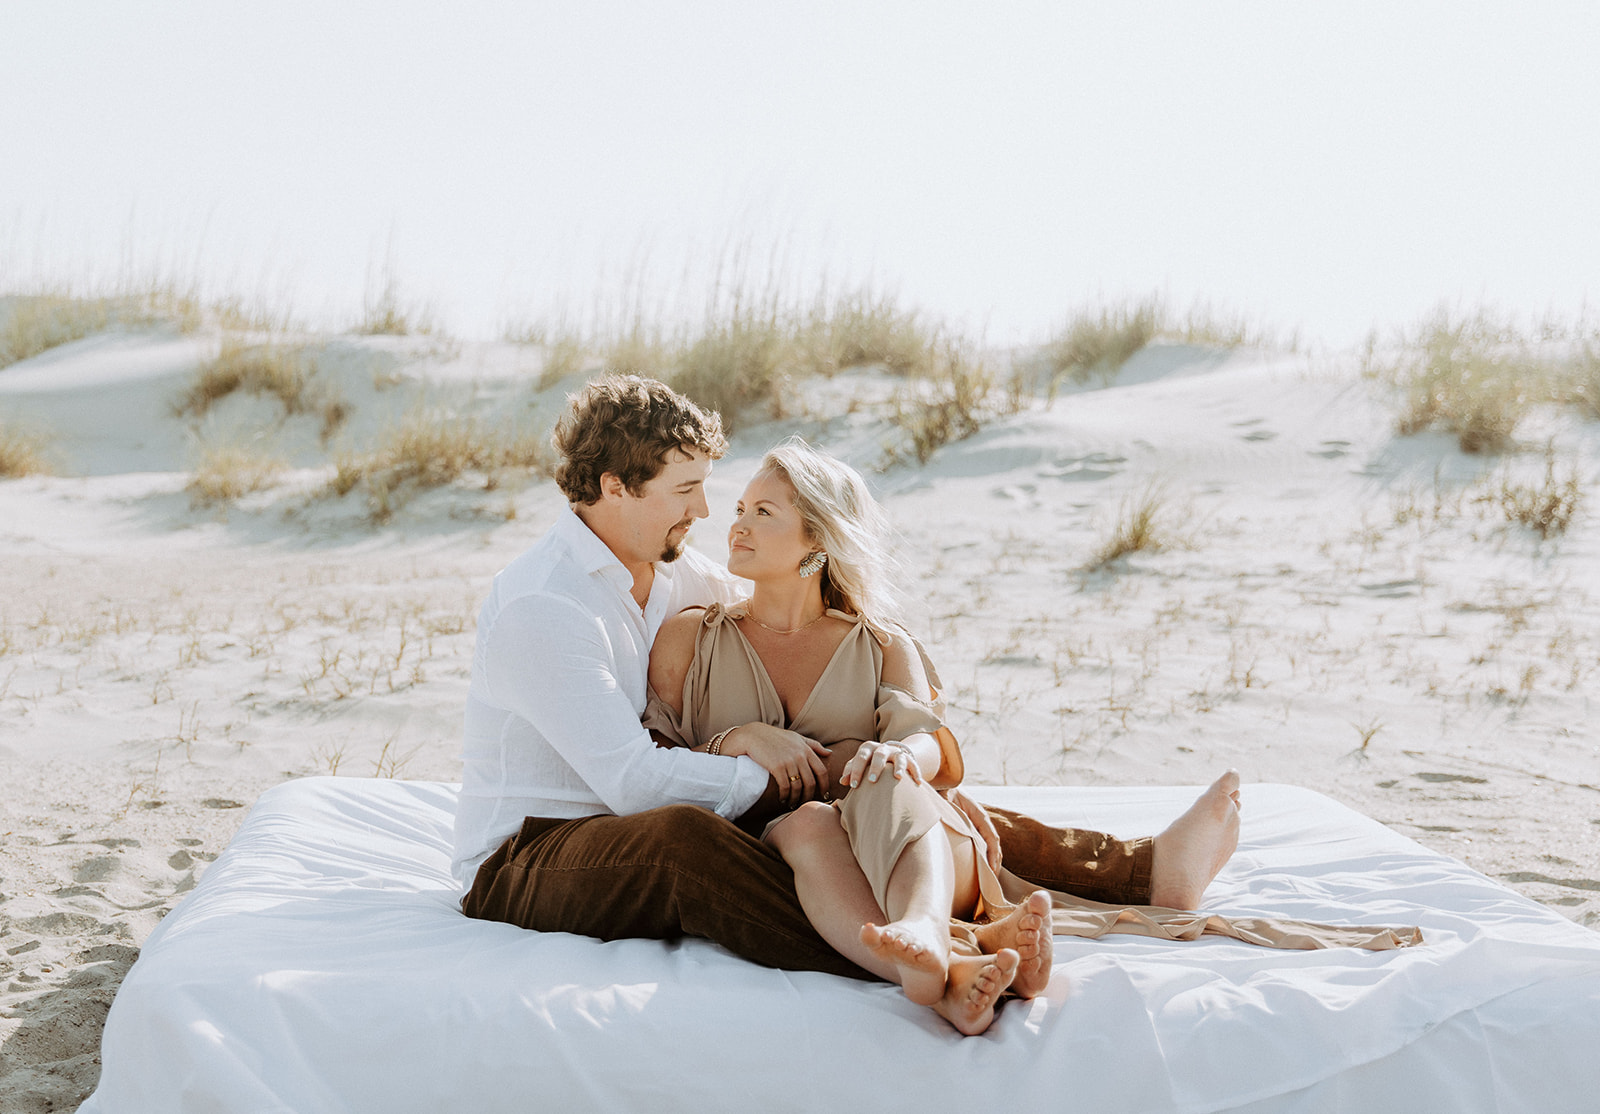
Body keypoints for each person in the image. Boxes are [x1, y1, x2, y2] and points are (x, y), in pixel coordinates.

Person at [454, 375, 1248, 1000]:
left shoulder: (679, 573)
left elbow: (809, 596)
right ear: (615, 489)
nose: (703, 510)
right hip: (533, 851)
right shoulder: (544, 606)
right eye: (683, 489)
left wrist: (890, 762)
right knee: (690, 839)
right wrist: (761, 757)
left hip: (648, 806)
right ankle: (941, 951)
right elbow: (632, 783)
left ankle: (1139, 872)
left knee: (877, 788)